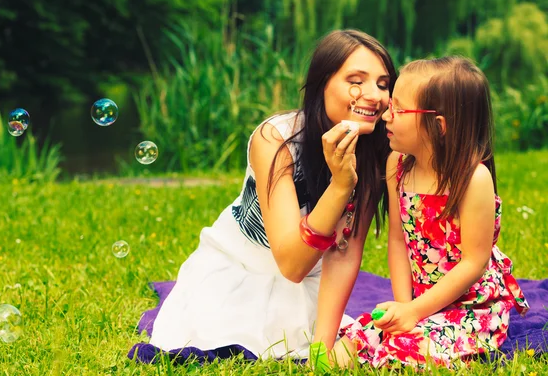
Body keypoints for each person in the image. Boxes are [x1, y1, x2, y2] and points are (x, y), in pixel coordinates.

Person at [129, 29, 397, 362]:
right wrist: (341, 186)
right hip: (244, 270)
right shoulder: (277, 140)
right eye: (356, 81)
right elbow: (292, 264)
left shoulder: (374, 153)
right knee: (250, 336)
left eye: (383, 84)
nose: (373, 95)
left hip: (314, 280)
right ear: (321, 85)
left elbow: (344, 254)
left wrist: (322, 349)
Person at [322, 56, 530, 369]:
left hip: (471, 307)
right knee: (350, 345)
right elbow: (397, 240)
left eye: (399, 109)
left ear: (439, 126)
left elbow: (474, 263)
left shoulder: (473, 179)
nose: (386, 116)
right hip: (419, 301)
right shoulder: (398, 164)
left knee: (406, 350)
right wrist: (404, 308)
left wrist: (414, 314)